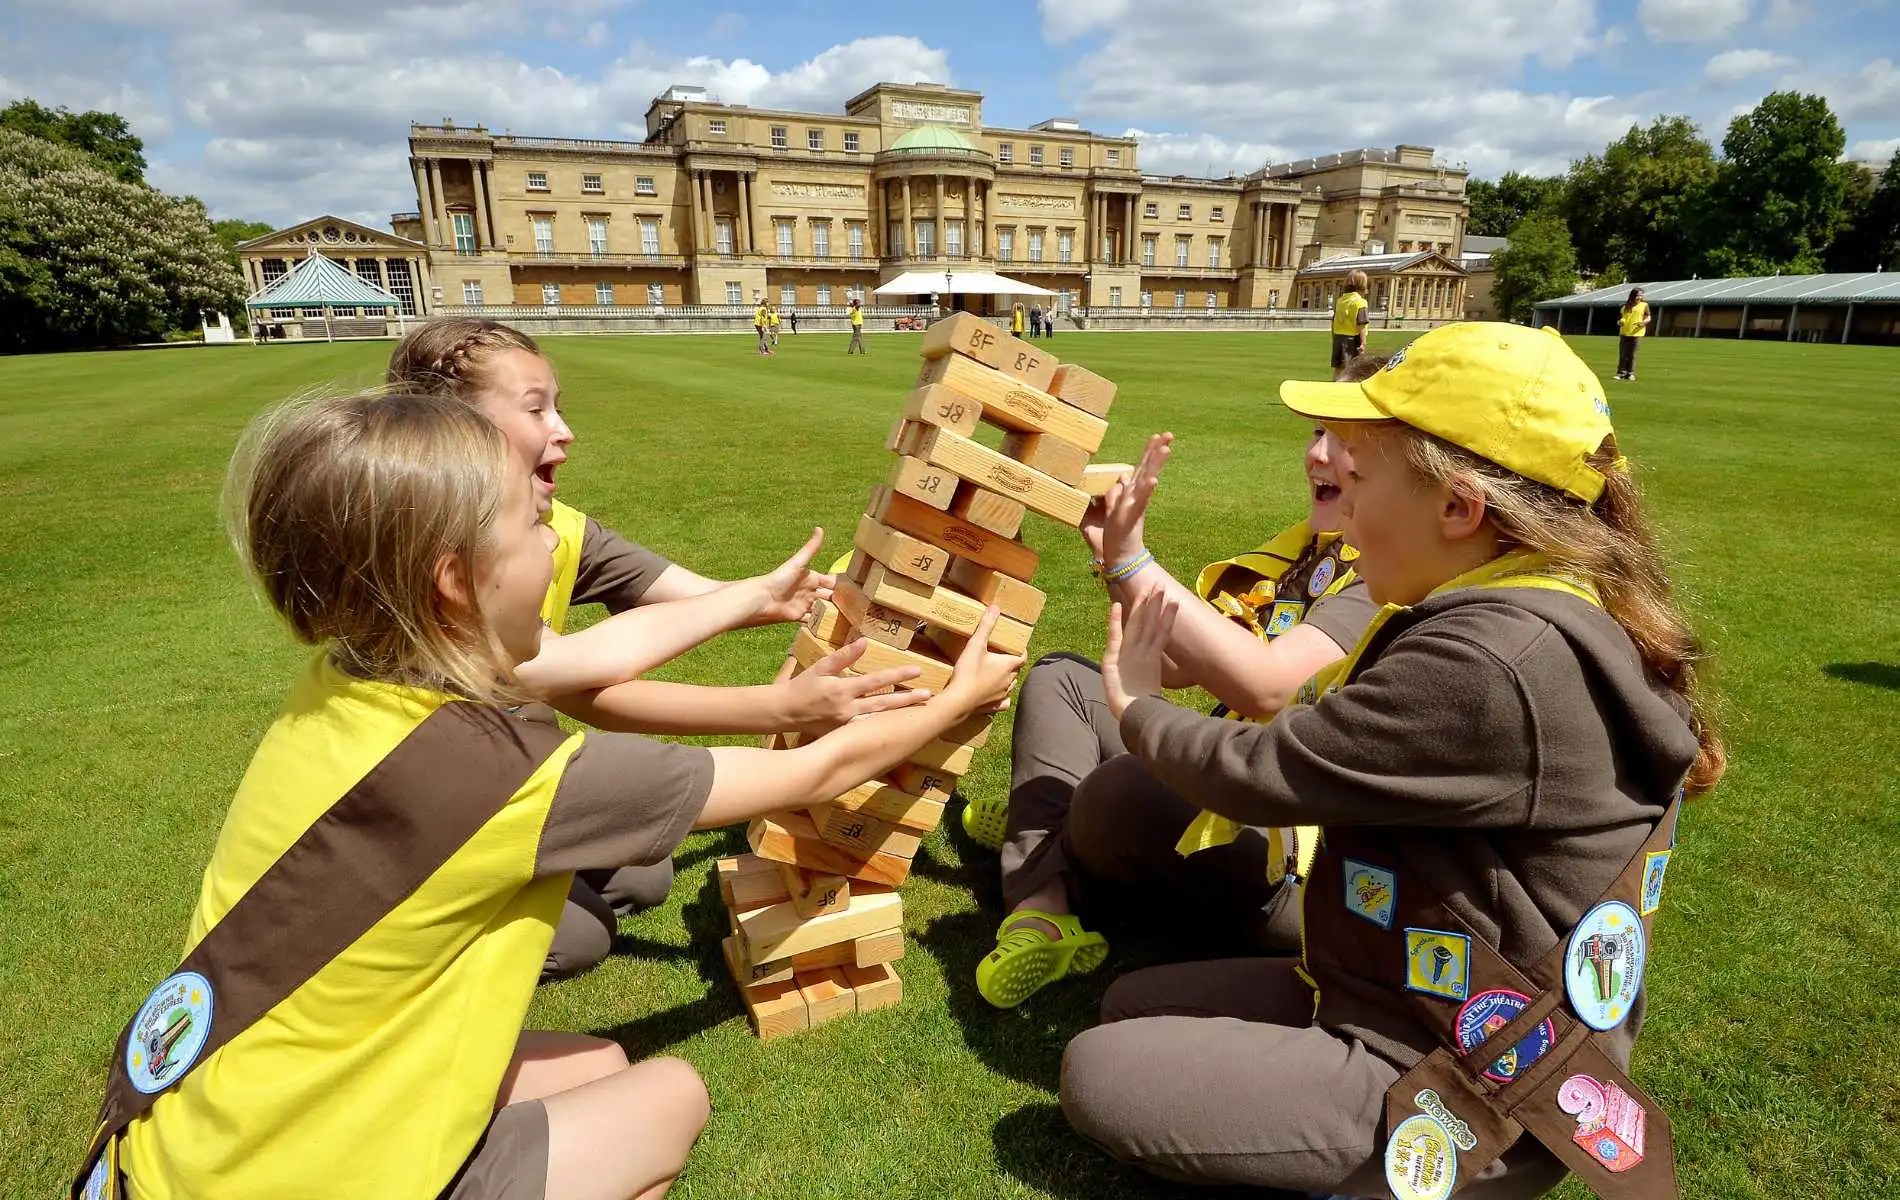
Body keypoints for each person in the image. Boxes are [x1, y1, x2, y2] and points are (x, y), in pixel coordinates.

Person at [81, 390, 1022, 1200]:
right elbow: (813, 772)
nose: (553, 537)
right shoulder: (516, 779)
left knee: (602, 1067)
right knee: (671, 1097)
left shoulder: (358, 678)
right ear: (455, 580)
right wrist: (959, 698)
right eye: (532, 526)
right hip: (304, 1175)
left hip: (177, 1140)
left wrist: (742, 600)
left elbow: (586, 657)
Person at [1057, 322, 1722, 1197]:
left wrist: (1138, 704)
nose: (1347, 513)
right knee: (1129, 1007)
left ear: (1459, 506)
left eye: (1363, 481)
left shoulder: (1495, 659)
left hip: (1469, 1059)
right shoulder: (1519, 602)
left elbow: (1268, 769)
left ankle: (1456, 1170)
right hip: (1398, 982)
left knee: (1097, 1070)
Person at [385, 318, 909, 982]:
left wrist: (783, 597)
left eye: (559, 403)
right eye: (536, 407)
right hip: (467, 793)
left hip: (526, 764)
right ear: (454, 431)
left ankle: (519, 882)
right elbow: (581, 683)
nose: (565, 428)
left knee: (643, 874)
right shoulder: (442, 565)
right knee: (580, 937)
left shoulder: (561, 528)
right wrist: (781, 705)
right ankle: (422, 943)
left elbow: (687, 601)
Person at [966, 355, 1385, 1010]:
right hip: (1229, 778)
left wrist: (1134, 560)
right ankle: (1041, 909)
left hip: (1291, 858)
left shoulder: (1388, 576)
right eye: (1315, 433)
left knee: (1118, 794)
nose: (1318, 454)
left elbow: (1266, 687)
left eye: (1345, 440)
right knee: (1065, 680)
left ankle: (1043, 826)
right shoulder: (1308, 553)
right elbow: (1170, 665)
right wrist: (1112, 554)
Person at [1331, 268, 1370, 371]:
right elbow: (1361, 325)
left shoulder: (1340, 301)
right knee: (1351, 372)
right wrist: (1363, 344)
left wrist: (1334, 338)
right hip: (1353, 340)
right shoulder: (1360, 302)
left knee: (1338, 370)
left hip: (1338, 338)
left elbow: (1334, 322)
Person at [1616, 287, 1651, 381]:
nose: (1639, 297)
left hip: (1637, 333)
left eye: (1641, 295)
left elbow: (1648, 317)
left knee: (1632, 354)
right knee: (1623, 354)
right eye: (1637, 295)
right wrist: (1620, 322)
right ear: (1633, 296)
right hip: (1624, 333)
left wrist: (1643, 323)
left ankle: (1630, 373)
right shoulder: (1625, 306)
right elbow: (1620, 319)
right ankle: (1621, 373)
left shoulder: (1644, 305)